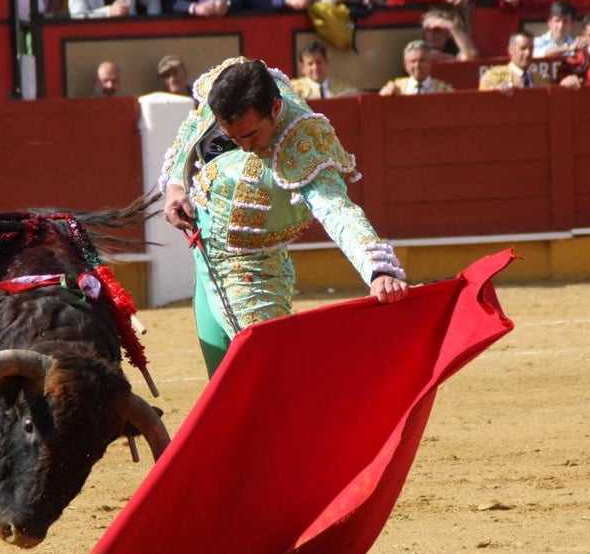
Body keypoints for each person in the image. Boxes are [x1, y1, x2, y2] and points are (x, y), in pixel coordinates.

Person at [159, 56, 408, 376]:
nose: (244, 147)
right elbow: (194, 129)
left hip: (256, 270)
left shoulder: (303, 140)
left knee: (263, 375)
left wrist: (378, 270)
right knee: (222, 379)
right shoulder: (227, 89)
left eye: (251, 136)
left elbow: (337, 210)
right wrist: (176, 187)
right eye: (232, 138)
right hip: (205, 253)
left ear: (275, 109)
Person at [478, 30, 549, 90]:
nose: (528, 53)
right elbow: (483, 88)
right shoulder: (496, 75)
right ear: (510, 50)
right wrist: (496, 88)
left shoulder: (540, 78)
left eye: (531, 49)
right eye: (523, 48)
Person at [379, 39, 456, 95]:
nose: (417, 65)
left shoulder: (443, 90)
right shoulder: (397, 86)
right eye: (413, 61)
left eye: (422, 61)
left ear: (430, 63)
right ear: (405, 65)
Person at [289, 40, 357, 98]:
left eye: (319, 62)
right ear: (302, 67)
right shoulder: (293, 89)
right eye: (310, 64)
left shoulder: (342, 89)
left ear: (326, 62)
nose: (315, 67)